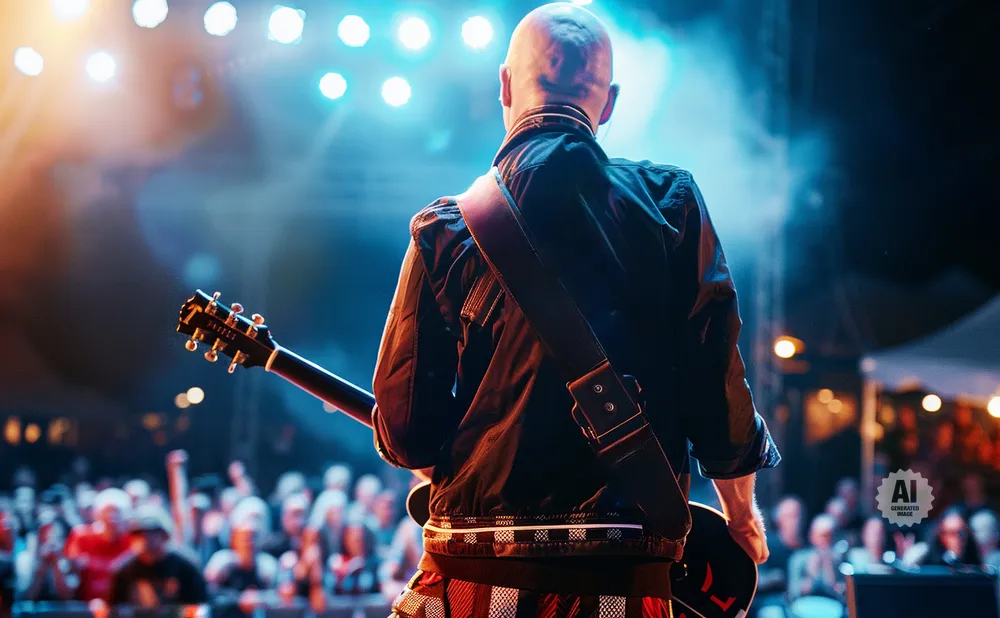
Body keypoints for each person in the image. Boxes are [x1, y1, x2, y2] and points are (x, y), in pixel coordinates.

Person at [370, 2, 779, 613]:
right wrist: (741, 516)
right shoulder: (671, 205)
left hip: (472, 579)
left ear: (505, 85)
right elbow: (715, 383)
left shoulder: (445, 230)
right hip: (621, 580)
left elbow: (407, 432)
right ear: (608, 103)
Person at [107, 505, 208, 607]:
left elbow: (199, 605)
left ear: (165, 535)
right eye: (139, 533)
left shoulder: (186, 566)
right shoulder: (125, 570)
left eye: (151, 533)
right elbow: (114, 608)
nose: (145, 539)